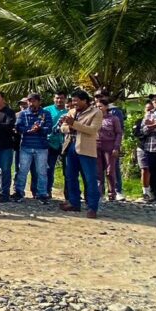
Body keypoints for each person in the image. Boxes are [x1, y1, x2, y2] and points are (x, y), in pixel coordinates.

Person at [58, 90, 102, 218]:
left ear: (85, 101)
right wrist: (69, 126)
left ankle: (92, 207)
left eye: (77, 100)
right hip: (70, 146)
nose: (74, 103)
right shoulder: (71, 112)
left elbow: (93, 130)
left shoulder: (96, 112)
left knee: (90, 178)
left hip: (86, 148)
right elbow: (63, 128)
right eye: (73, 100)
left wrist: (74, 124)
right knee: (70, 176)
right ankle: (74, 203)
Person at [13, 93, 53, 203]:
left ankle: (42, 194)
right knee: (22, 170)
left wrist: (40, 129)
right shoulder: (23, 114)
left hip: (41, 147)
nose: (31, 103)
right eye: (29, 101)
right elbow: (18, 128)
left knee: (42, 172)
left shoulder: (46, 113)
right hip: (26, 146)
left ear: (39, 102)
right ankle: (19, 192)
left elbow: (49, 129)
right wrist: (30, 129)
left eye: (34, 101)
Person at [96, 97, 124, 202]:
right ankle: (99, 194)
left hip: (110, 147)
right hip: (97, 147)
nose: (98, 108)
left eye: (100, 106)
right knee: (98, 172)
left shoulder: (113, 119)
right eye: (96, 106)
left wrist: (116, 147)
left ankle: (112, 193)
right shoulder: (94, 119)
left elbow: (119, 133)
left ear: (106, 107)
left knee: (110, 171)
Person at [42, 91, 69, 199]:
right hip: (50, 143)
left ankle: (69, 194)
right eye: (57, 98)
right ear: (54, 99)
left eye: (61, 98)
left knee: (68, 170)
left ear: (65, 99)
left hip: (66, 143)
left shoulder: (69, 111)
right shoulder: (47, 110)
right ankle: (47, 191)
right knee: (49, 168)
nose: (59, 100)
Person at [131, 99, 156, 201]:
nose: (149, 111)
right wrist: (147, 128)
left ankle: (155, 192)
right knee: (145, 169)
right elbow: (136, 133)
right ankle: (145, 192)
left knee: (155, 170)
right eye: (147, 109)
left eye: (152, 109)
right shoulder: (139, 121)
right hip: (143, 147)